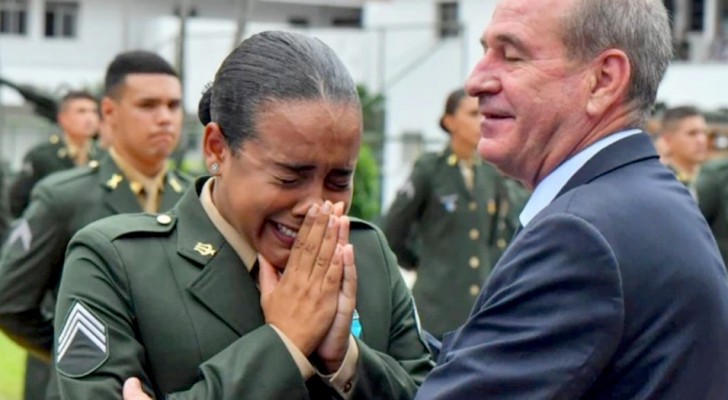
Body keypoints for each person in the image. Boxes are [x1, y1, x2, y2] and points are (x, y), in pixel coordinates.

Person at [53, 31, 433, 399]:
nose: (316, 205)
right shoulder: (116, 262)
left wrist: (345, 362)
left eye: (338, 180)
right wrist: (284, 346)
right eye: (289, 177)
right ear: (217, 149)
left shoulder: (365, 254)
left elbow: (430, 391)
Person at [415, 0, 728, 398]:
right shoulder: (638, 200)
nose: (477, 81)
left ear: (603, 80)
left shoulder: (580, 235)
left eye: (511, 56)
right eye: (484, 52)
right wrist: (353, 361)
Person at [0, 50, 192, 398]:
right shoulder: (65, 198)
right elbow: (10, 303)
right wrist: (83, 356)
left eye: (174, 105)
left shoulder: (196, 201)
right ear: (109, 112)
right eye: (148, 105)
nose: (165, 118)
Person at [382, 88, 526, 339]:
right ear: (450, 122)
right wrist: (425, 264)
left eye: (483, 114)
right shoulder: (431, 169)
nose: (481, 121)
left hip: (477, 314)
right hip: (437, 312)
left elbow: (494, 241)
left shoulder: (490, 174)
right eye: (472, 113)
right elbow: (393, 231)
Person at [9, 91, 101, 218]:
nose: (90, 118)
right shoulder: (42, 156)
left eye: (94, 112)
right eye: (81, 111)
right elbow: (18, 203)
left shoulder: (104, 156)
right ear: (62, 118)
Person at [658, 105, 709, 194]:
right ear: (668, 140)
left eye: (704, 132)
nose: (701, 140)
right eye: (692, 133)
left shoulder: (707, 182)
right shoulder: (664, 183)